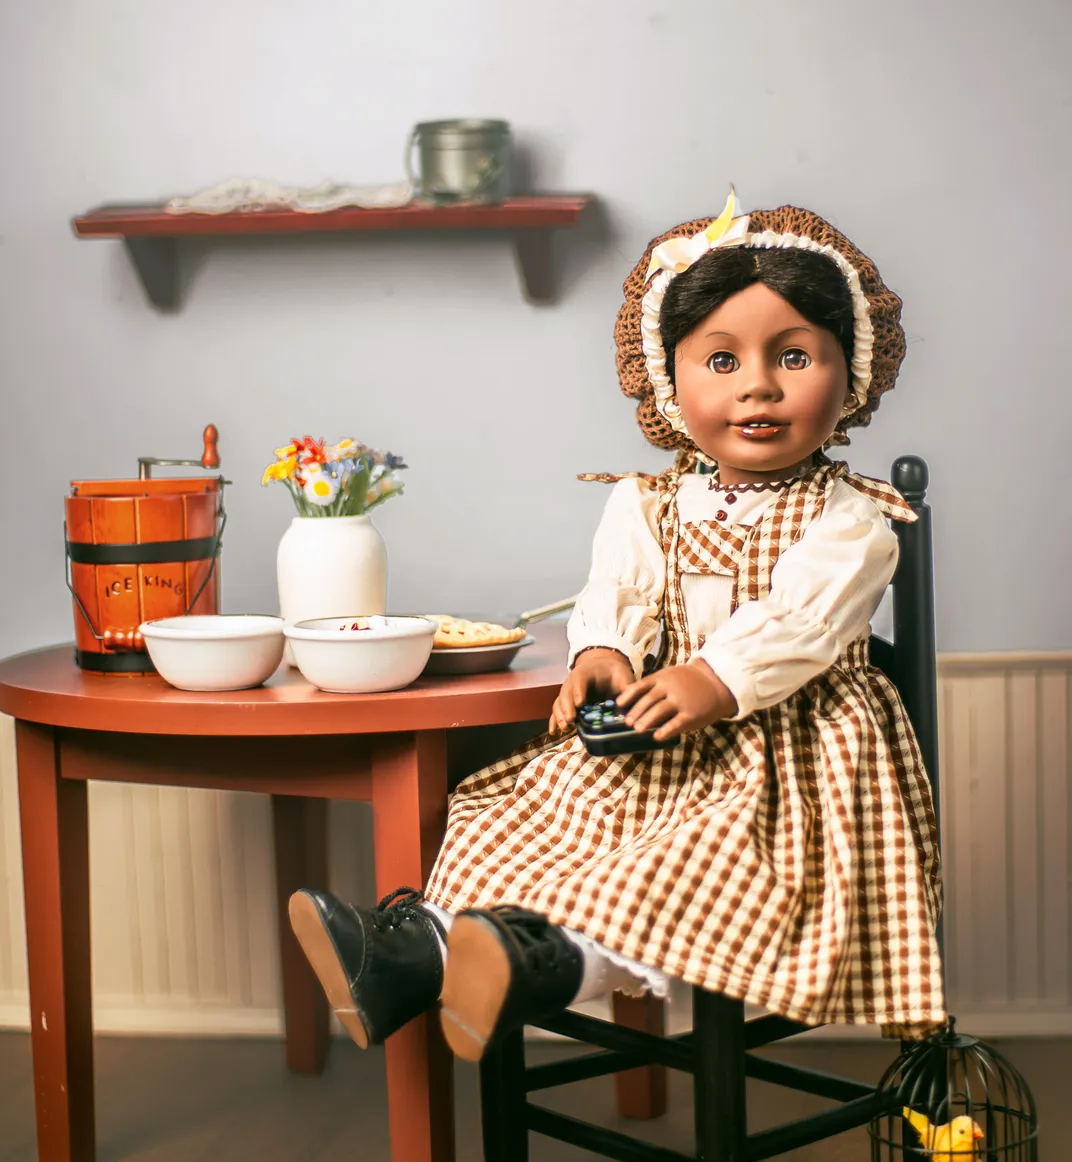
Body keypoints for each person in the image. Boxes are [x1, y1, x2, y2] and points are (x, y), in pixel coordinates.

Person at [289, 193, 944, 1064]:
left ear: (851, 371)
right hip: (651, 741)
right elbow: (619, 589)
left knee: (689, 857)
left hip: (784, 758)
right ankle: (415, 955)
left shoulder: (850, 517)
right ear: (670, 382)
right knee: (514, 814)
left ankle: (541, 966)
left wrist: (714, 678)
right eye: (721, 359)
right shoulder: (646, 503)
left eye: (793, 356)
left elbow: (804, 621)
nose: (758, 384)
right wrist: (606, 651)